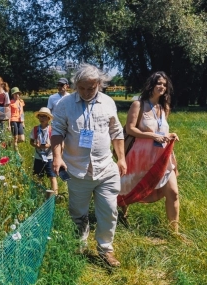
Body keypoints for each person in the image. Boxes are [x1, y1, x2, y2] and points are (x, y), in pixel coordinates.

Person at [51, 63, 126, 267]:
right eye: (81, 88)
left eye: (90, 88)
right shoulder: (65, 104)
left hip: (106, 169)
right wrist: (57, 157)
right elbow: (57, 131)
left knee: (109, 210)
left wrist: (121, 158)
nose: (85, 92)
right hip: (77, 170)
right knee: (78, 213)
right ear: (76, 85)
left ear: (99, 85)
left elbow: (116, 132)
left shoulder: (108, 102)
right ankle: (79, 246)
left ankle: (105, 250)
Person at [118, 71, 180, 233]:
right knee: (127, 189)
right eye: (159, 83)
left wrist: (169, 137)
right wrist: (153, 135)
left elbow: (162, 130)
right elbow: (130, 129)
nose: (162, 87)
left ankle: (174, 232)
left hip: (161, 157)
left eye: (165, 85)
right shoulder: (138, 104)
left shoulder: (164, 107)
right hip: (139, 157)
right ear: (151, 85)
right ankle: (121, 213)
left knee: (173, 193)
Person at [30, 107, 58, 199]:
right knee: (38, 177)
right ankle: (39, 194)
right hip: (38, 157)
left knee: (52, 177)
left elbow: (56, 143)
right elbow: (31, 141)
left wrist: (49, 145)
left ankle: (55, 196)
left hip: (49, 157)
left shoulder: (52, 130)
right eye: (40, 116)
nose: (42, 118)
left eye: (44, 117)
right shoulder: (35, 129)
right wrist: (36, 145)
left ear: (49, 118)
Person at [8, 87, 25, 153]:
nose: (17, 95)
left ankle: (9, 143)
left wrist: (23, 122)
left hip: (20, 121)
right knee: (15, 138)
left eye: (18, 94)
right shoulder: (10, 103)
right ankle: (17, 154)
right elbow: (8, 114)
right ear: (13, 95)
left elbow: (22, 112)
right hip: (13, 120)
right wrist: (9, 125)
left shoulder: (21, 101)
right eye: (15, 94)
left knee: (22, 139)